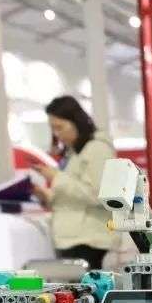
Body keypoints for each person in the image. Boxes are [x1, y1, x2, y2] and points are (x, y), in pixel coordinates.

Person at [31, 96, 116, 270]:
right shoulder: (73, 153)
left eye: (60, 127)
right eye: (53, 129)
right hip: (70, 239)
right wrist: (46, 197)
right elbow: (73, 195)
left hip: (89, 241)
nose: (57, 134)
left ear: (76, 122)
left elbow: (100, 195)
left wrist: (56, 177)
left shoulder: (97, 149)